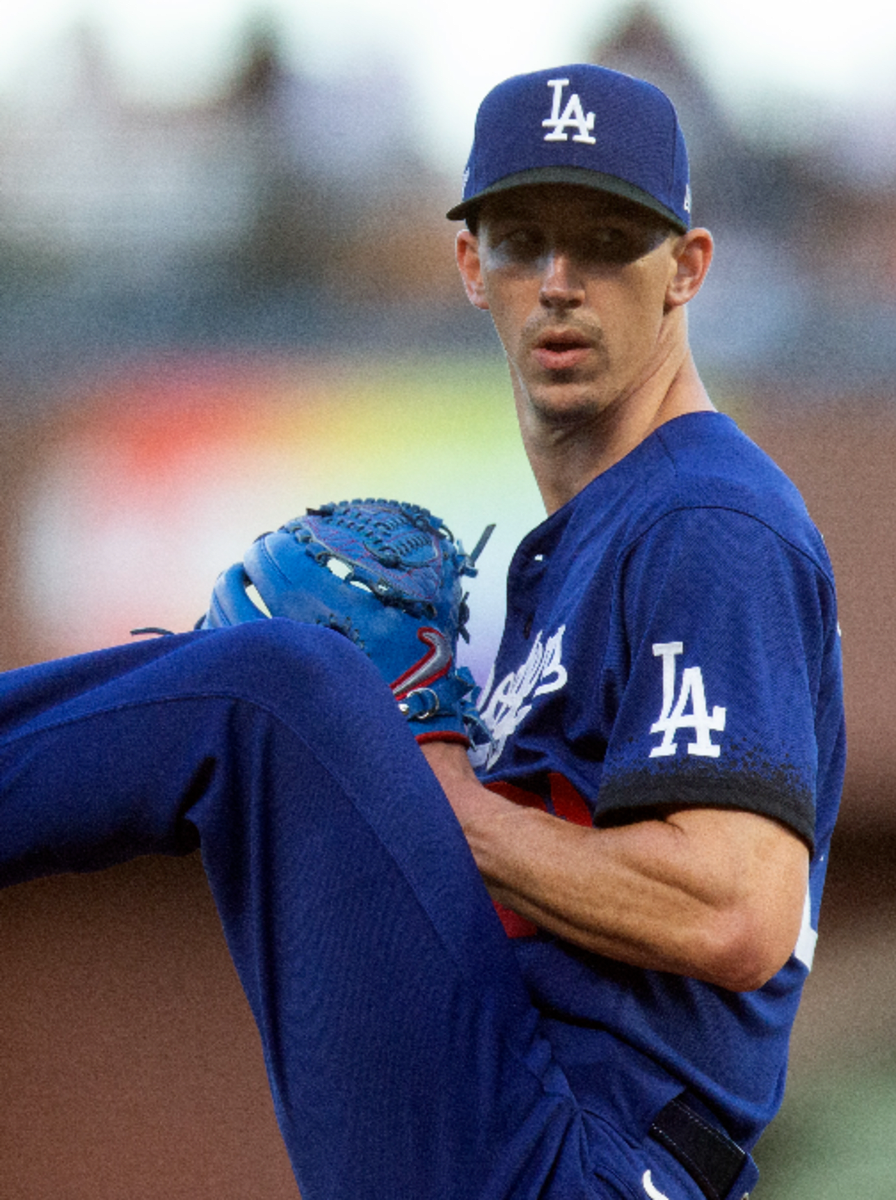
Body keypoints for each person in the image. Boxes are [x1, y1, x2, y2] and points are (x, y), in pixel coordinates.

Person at [0, 64, 844, 1200]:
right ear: (469, 266)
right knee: (282, 704)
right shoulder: (593, 536)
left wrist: (427, 799)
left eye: (606, 241)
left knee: (276, 690)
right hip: (530, 1127)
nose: (560, 281)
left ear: (686, 268)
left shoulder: (705, 517)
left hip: (587, 1157)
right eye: (520, 240)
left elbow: (738, 909)